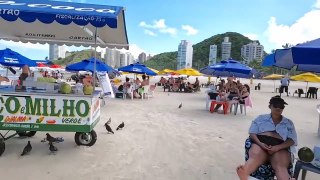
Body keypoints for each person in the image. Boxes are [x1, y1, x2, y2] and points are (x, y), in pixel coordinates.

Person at [236, 95, 297, 180]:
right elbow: (252, 133)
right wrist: (260, 144)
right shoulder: (261, 118)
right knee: (255, 156)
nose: (278, 108)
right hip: (261, 142)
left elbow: (292, 140)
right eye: (275, 105)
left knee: (280, 165)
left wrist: (277, 147)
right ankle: (244, 173)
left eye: (281, 106)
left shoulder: (288, 123)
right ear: (270, 106)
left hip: (280, 146)